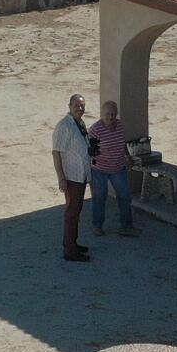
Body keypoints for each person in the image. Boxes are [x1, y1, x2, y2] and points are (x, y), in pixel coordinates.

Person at [50, 93, 93, 262]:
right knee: (72, 213)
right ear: (69, 106)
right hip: (71, 177)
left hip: (80, 176)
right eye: (76, 105)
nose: (80, 108)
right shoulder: (64, 126)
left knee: (76, 212)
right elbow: (56, 152)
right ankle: (69, 250)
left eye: (82, 105)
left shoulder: (79, 123)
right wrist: (61, 177)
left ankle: (72, 244)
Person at [88, 98, 138, 237]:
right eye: (107, 114)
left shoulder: (120, 125)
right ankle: (97, 226)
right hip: (99, 171)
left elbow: (122, 144)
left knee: (125, 197)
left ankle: (126, 226)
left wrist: (128, 157)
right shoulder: (95, 130)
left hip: (118, 168)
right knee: (99, 199)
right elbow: (89, 151)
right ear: (101, 114)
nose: (110, 117)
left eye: (113, 114)